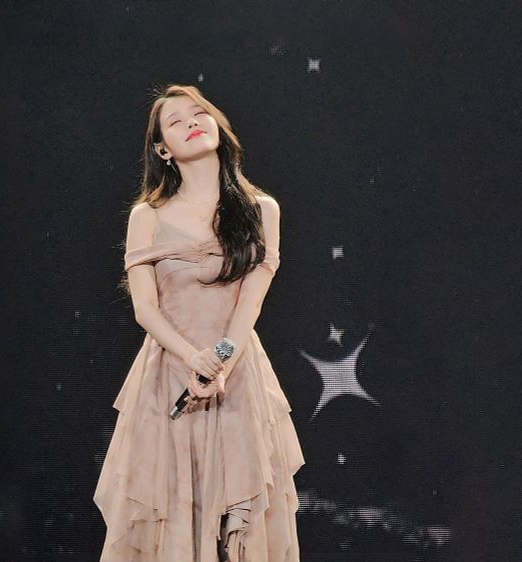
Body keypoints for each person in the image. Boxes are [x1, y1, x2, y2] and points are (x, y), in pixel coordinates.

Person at [94, 84, 305, 562]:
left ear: (218, 126)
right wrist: (193, 359)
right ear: (162, 150)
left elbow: (250, 304)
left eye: (199, 113)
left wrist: (220, 363)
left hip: (238, 378)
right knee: (170, 510)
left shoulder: (261, 210)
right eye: (176, 121)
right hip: (168, 376)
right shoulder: (147, 216)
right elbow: (145, 309)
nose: (192, 122)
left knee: (241, 512)